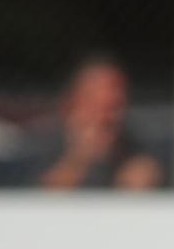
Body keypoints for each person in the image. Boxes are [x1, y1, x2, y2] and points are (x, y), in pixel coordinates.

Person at [33, 57, 163, 191]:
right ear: (75, 103)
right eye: (99, 107)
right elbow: (38, 198)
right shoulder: (43, 145)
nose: (109, 118)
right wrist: (79, 159)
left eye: (115, 107)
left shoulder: (134, 146)